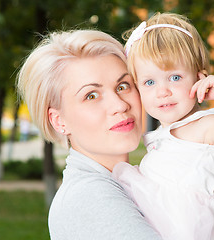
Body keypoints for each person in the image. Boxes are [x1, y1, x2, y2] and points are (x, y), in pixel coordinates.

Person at [112, 12, 214, 240]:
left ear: (200, 78)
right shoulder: (161, 135)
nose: (163, 91)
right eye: (150, 82)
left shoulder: (206, 127)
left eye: (175, 77)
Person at [16, 29, 161, 240]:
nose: (119, 105)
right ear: (58, 120)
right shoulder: (89, 196)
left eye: (122, 86)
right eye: (91, 95)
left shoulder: (131, 181)